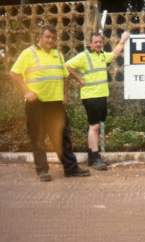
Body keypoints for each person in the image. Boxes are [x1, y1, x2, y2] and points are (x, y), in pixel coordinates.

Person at [10, 25, 90, 182]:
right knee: (38, 137)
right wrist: (26, 91)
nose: (50, 40)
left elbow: (65, 76)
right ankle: (42, 171)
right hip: (37, 103)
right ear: (40, 37)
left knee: (62, 136)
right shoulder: (29, 53)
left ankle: (71, 168)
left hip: (55, 103)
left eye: (53, 38)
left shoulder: (58, 55)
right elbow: (14, 73)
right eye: (47, 37)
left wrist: (64, 95)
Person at [66, 30, 130, 170]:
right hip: (90, 96)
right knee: (94, 126)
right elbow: (67, 66)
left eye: (100, 42)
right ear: (90, 43)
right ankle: (96, 157)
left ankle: (91, 156)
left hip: (101, 95)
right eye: (95, 42)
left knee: (95, 126)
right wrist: (79, 78)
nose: (98, 44)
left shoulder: (102, 56)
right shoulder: (83, 56)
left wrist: (122, 40)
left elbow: (114, 54)